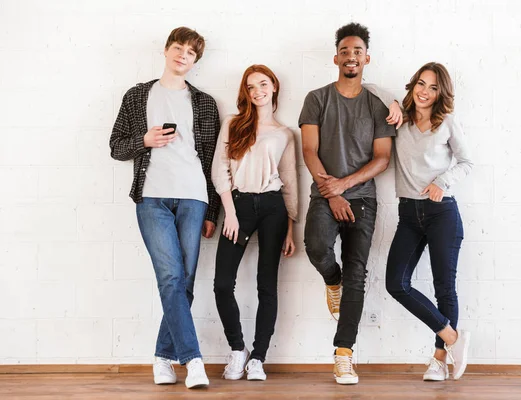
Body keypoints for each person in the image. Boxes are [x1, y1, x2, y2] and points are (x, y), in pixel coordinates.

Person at [109, 26, 220, 389]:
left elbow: (213, 163)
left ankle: (162, 356)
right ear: (166, 50)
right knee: (171, 277)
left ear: (195, 62)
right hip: (152, 197)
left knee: (184, 282)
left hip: (194, 197)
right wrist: (145, 140)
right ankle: (193, 360)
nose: (182, 55)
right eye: (178, 48)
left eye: (190, 53)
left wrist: (212, 212)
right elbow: (116, 146)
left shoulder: (204, 103)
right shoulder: (138, 95)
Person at [298, 22, 397, 385]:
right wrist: (334, 192)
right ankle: (331, 280)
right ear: (336, 57)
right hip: (326, 196)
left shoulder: (379, 104)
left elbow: (382, 159)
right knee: (316, 247)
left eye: (358, 51)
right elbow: (308, 149)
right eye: (345, 50)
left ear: (366, 58)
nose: (351, 56)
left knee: (359, 274)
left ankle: (344, 355)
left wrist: (348, 186)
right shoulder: (316, 98)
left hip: (364, 201)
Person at [382, 62, 474, 381]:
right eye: (421, 84)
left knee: (443, 288)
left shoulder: (446, 122)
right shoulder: (400, 120)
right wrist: (392, 101)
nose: (424, 91)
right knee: (396, 283)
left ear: (441, 93)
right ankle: (452, 338)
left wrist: (443, 182)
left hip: (441, 213)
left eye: (433, 87)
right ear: (412, 85)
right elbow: (366, 87)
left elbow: (466, 162)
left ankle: (438, 359)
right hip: (408, 213)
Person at [212, 65, 298, 382]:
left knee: (267, 285)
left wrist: (291, 226)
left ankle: (258, 358)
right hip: (239, 205)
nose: (257, 90)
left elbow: (289, 180)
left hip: (274, 207)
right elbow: (220, 169)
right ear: (246, 92)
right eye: (251, 87)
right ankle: (238, 350)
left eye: (263, 84)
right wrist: (230, 213)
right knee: (222, 283)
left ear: (274, 86)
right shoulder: (233, 124)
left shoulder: (284, 134)